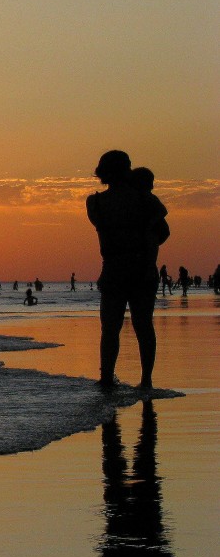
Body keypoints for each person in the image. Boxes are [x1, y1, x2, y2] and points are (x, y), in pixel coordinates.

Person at [86, 150, 169, 389]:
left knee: (110, 328)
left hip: (113, 267)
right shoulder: (145, 200)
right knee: (143, 325)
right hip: (141, 266)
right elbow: (163, 229)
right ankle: (146, 380)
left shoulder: (96, 202)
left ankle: (106, 378)